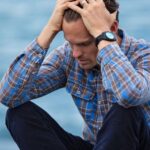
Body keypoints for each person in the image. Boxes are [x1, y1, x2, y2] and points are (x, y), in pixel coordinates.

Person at [0, 0, 150, 149]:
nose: (76, 53)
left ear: (112, 29)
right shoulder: (68, 56)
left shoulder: (143, 54)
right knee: (17, 114)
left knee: (125, 109)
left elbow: (130, 94)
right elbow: (8, 96)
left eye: (84, 44)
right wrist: (50, 28)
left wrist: (103, 36)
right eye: (71, 43)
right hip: (96, 146)